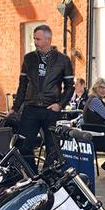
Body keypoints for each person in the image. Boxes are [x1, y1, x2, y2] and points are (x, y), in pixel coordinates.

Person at [11, 25, 74, 170]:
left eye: (38, 39)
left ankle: (47, 176)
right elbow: (22, 85)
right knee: (24, 145)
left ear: (48, 39)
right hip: (31, 108)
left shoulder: (63, 60)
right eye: (34, 38)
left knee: (53, 147)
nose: (35, 42)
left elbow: (70, 86)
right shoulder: (29, 58)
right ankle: (32, 175)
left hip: (51, 108)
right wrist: (15, 108)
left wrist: (60, 105)